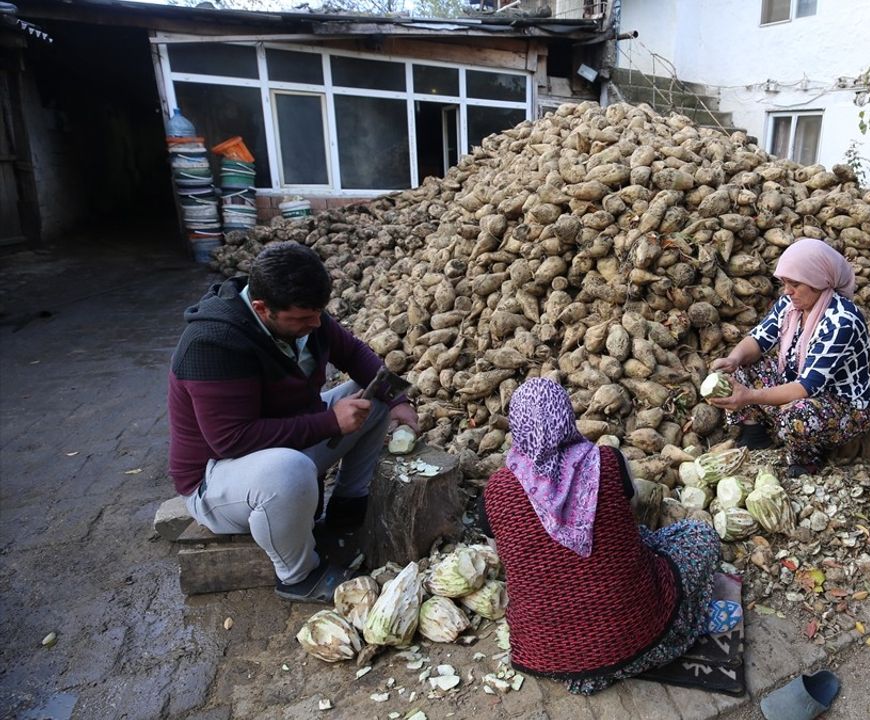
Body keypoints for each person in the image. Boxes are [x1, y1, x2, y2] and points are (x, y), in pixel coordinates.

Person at [167, 241, 418, 603]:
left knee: (371, 399)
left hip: (281, 447)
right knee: (289, 471)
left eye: (318, 314)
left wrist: (397, 399)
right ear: (261, 308)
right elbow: (231, 440)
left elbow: (353, 352)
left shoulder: (304, 318)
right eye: (302, 319)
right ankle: (298, 575)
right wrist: (330, 423)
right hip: (217, 479)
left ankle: (348, 506)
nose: (315, 324)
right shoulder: (212, 344)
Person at [479, 378, 720, 695]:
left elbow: (504, 556)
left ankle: (590, 666)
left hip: (548, 656)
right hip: (641, 639)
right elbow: (629, 513)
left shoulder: (495, 493)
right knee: (698, 535)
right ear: (566, 417)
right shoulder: (606, 461)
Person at [708, 238, 870, 477]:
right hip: (798, 386)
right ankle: (757, 436)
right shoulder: (789, 305)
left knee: (799, 413)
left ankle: (806, 459)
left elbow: (808, 386)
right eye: (785, 283)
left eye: (795, 283)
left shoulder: (842, 320)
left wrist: (750, 397)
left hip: (843, 408)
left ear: (819, 281)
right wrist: (733, 359)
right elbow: (758, 339)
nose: (787, 290)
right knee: (741, 369)